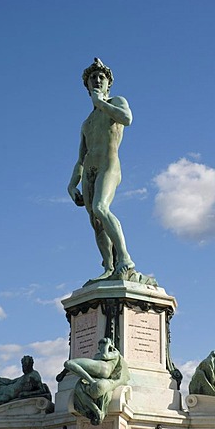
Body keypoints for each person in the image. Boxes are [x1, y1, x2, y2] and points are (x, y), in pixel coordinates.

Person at [68, 58, 135, 283]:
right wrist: (71, 184)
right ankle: (109, 266)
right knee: (95, 221)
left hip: (109, 165)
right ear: (87, 87)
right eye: (92, 79)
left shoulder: (116, 102)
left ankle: (125, 259)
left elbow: (127, 119)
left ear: (108, 84)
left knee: (100, 207)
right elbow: (80, 158)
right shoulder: (86, 123)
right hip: (89, 171)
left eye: (101, 78)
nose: (97, 80)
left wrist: (102, 103)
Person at [56, 338, 129, 425]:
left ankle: (89, 380)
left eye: (100, 346)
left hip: (104, 368)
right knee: (79, 389)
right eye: (99, 346)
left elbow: (105, 356)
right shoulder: (98, 355)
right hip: (99, 372)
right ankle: (96, 410)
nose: (99, 348)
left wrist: (107, 345)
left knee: (68, 363)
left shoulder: (115, 352)